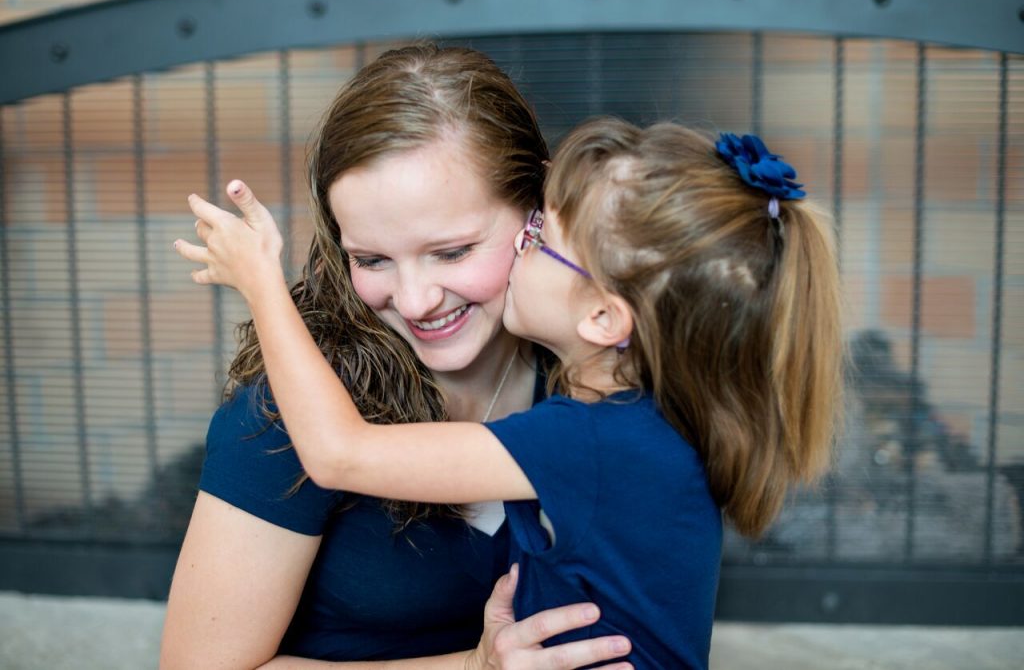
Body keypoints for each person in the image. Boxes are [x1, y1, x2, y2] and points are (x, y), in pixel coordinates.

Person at [177, 116, 845, 668]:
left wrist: (261, 282)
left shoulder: (590, 438)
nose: (415, 297)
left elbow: (339, 452)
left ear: (605, 317)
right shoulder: (646, 420)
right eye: (373, 257)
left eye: (536, 239)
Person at [161, 44, 633, 669]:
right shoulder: (281, 419)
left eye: (453, 251)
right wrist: (473, 667)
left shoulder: (590, 369)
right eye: (372, 260)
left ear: (542, 213)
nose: (414, 302)